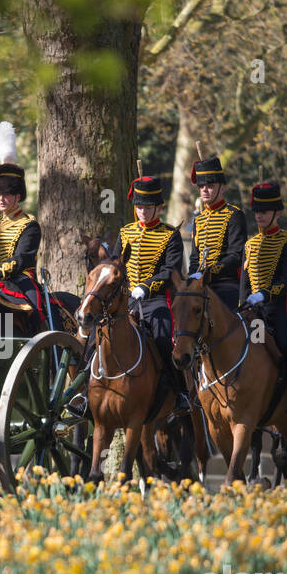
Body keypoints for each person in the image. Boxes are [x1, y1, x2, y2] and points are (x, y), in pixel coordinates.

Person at [117, 173, 188, 409]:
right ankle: (87, 390)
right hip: (125, 300)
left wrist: (145, 288)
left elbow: (170, 271)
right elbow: (115, 265)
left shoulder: (170, 235)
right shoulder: (125, 232)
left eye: (148, 207)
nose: (143, 211)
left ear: (159, 207)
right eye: (139, 206)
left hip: (155, 300)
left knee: (162, 340)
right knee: (98, 336)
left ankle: (178, 393)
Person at [240, 182, 287, 417]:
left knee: (286, 345)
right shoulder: (250, 244)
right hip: (255, 312)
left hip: (278, 307)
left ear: (277, 213)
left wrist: (265, 294)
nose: (259, 215)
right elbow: (245, 281)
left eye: (264, 211)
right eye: (256, 211)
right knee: (247, 343)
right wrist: (245, 302)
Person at [0, 121, 47, 329]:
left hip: (22, 280)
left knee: (35, 311)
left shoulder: (30, 224)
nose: (1, 199)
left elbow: (23, 258)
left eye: (6, 194)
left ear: (18, 195)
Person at [187, 155, 247, 312]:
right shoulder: (198, 219)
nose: (205, 190)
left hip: (226, 284)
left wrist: (209, 273)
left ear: (222, 188)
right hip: (199, 284)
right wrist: (193, 276)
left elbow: (235, 256)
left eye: (210, 186)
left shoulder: (234, 215)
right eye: (201, 187)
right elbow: (194, 257)